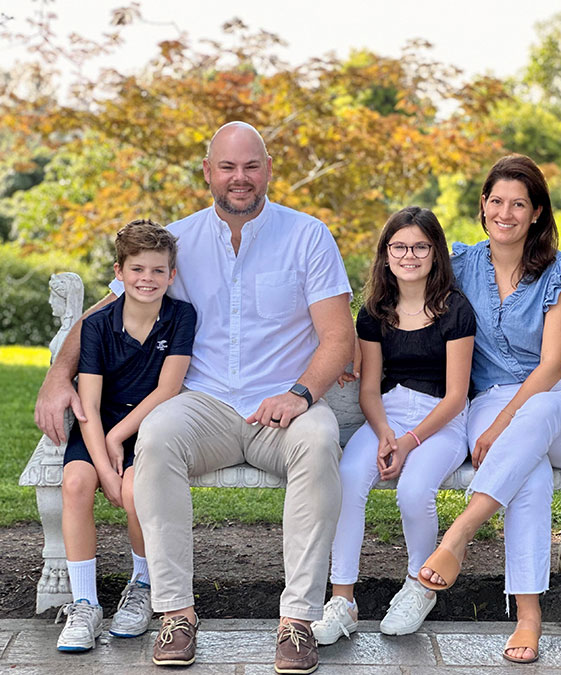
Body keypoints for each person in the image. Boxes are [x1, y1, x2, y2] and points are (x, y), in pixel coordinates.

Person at [34, 122, 355, 673]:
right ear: (208, 172)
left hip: (281, 405)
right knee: (157, 435)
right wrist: (55, 376)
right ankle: (176, 614)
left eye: (251, 166)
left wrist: (301, 394)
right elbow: (101, 317)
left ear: (268, 169)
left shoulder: (307, 235)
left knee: (322, 438)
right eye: (227, 167)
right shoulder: (178, 242)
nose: (240, 178)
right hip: (202, 404)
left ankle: (297, 621)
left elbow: (337, 335)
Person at [418, 155, 561, 665]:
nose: (506, 212)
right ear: (483, 206)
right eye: (496, 201)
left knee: (537, 416)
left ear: (537, 212)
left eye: (519, 203)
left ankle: (458, 534)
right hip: (491, 402)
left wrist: (503, 423)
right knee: (530, 474)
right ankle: (528, 615)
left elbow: (550, 368)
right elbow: (403, 302)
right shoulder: (458, 265)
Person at [311, 207, 475, 644]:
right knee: (346, 477)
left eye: (420, 247)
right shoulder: (374, 312)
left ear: (435, 254)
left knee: (414, 490)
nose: (409, 255)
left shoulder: (455, 310)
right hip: (389, 414)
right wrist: (385, 432)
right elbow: (369, 391)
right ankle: (342, 600)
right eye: (399, 246)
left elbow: (457, 395)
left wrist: (409, 441)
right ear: (385, 254)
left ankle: (419, 586)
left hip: (442, 420)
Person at [56, 220, 196, 652]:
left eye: (157, 271)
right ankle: (84, 604)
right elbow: (89, 407)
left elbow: (168, 389)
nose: (147, 279)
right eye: (137, 270)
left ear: (171, 275)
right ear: (119, 273)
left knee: (137, 490)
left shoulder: (180, 317)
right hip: (98, 424)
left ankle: (141, 587)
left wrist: (119, 439)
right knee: (76, 483)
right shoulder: (98, 325)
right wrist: (104, 465)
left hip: (151, 422)